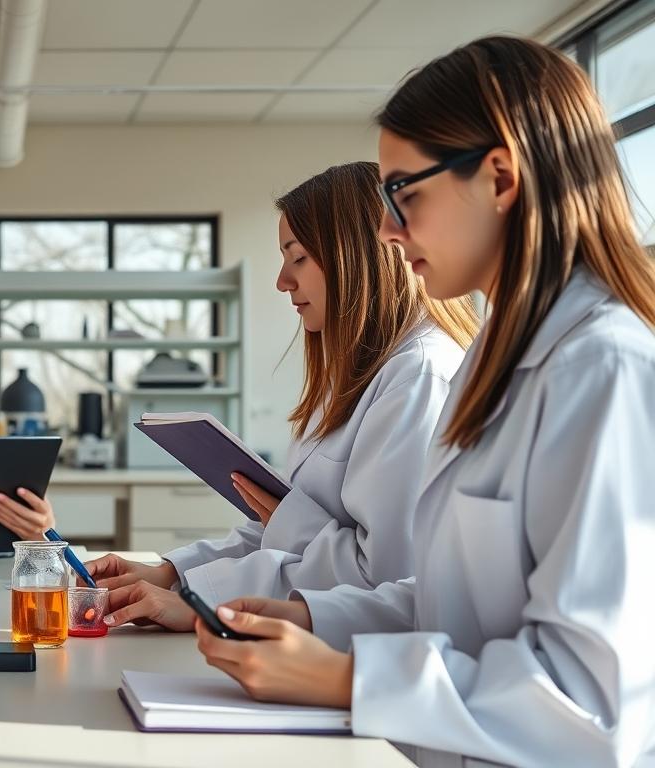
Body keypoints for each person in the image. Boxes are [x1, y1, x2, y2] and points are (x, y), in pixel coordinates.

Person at [194, 37, 655, 766]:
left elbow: (593, 704)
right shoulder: (494, 361)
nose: (386, 228)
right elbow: (452, 602)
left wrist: (347, 677)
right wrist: (317, 616)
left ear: (499, 178)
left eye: (404, 193)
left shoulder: (604, 370)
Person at [87, 162, 478, 631]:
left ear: (354, 255)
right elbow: (277, 531)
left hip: (351, 655)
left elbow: (386, 577)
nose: (282, 281)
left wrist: (204, 604)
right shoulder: (357, 375)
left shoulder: (419, 375)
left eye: (298, 258)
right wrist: (172, 575)